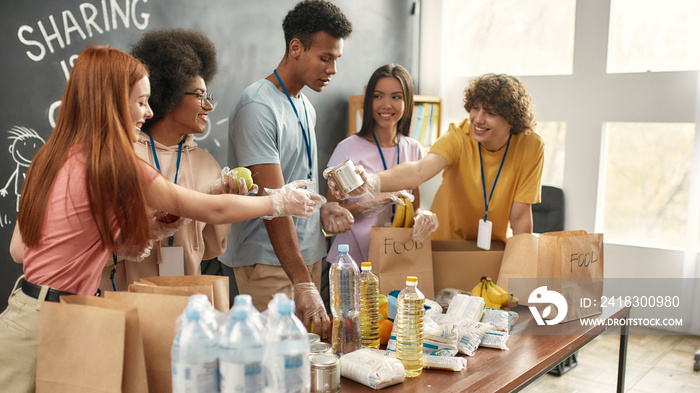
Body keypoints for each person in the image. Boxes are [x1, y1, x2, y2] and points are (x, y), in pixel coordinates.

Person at [0, 45, 323, 393]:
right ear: (110, 101)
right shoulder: (117, 164)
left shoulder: (49, 157)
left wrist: (141, 231)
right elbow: (212, 210)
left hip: (30, 312)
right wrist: (278, 201)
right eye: (140, 102)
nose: (148, 111)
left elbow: (20, 250)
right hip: (58, 319)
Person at [227, 0, 353, 335]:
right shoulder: (258, 106)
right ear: (295, 48)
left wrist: (322, 210)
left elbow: (297, 188)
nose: (332, 70)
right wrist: (301, 281)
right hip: (270, 263)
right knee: (276, 373)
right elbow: (276, 205)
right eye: (325, 58)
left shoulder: (304, 105)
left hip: (307, 257)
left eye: (336, 59)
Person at [98, 29, 246, 298]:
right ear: (169, 96)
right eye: (199, 95)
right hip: (120, 302)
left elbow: (211, 249)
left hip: (185, 304)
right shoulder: (119, 155)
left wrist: (225, 201)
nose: (208, 106)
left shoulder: (207, 164)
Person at [329, 73, 544, 244]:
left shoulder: (531, 146)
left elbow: (520, 216)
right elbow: (418, 171)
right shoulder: (458, 137)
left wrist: (521, 270)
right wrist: (372, 181)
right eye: (475, 108)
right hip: (446, 244)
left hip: (494, 245)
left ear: (512, 119)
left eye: (491, 113)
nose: (478, 119)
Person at [325, 64, 438, 264]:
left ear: (407, 102)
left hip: (396, 260)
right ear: (369, 102)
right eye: (378, 96)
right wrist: (371, 202)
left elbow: (415, 206)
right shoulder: (348, 149)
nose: (386, 105)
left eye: (396, 97)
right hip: (352, 262)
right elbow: (330, 217)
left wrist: (423, 217)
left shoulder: (414, 149)